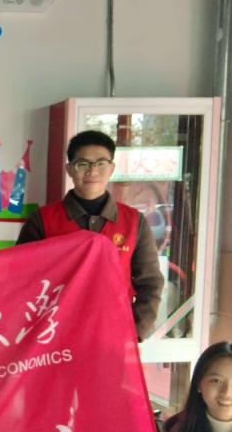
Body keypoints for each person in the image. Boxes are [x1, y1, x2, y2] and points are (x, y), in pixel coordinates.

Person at [15, 130, 163, 340]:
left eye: (101, 163)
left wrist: (135, 332)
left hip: (112, 335)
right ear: (69, 169)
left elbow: (150, 282)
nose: (92, 171)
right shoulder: (42, 221)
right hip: (55, 336)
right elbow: (21, 279)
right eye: (82, 163)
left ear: (111, 168)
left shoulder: (133, 222)